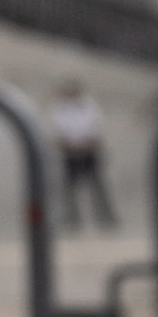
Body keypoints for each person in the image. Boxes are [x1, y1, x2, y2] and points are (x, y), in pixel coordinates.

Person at [48, 80, 118, 232]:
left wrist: (86, 145)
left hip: (89, 151)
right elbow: (57, 133)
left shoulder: (89, 105)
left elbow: (97, 129)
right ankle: (72, 220)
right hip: (70, 153)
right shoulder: (60, 107)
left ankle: (106, 219)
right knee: (69, 189)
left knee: (98, 187)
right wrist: (70, 146)